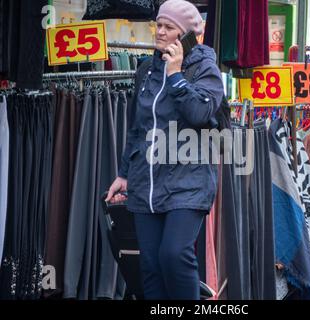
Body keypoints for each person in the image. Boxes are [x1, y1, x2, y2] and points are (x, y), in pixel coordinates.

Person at [106, 0, 224, 300]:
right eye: (158, 25)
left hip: (189, 179)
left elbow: (200, 113)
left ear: (186, 35)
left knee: (174, 255)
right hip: (146, 181)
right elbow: (138, 126)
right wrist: (124, 174)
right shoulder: (146, 69)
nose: (159, 31)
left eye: (168, 27)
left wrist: (175, 75)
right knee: (149, 264)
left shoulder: (205, 68)